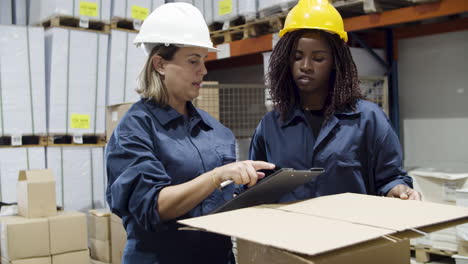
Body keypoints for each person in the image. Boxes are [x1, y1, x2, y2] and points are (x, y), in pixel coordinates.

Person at [105, 3, 275, 264]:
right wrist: (218, 175)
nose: (203, 70)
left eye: (204, 61)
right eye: (193, 61)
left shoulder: (216, 131)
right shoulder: (135, 130)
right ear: (160, 64)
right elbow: (154, 206)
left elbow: (221, 200)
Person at [249, 0, 421, 202]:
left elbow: (391, 178)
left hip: (354, 231)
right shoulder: (270, 126)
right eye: (297, 57)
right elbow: (255, 187)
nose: (305, 66)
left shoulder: (367, 119)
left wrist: (398, 190)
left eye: (318, 58)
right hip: (290, 232)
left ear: (334, 63)